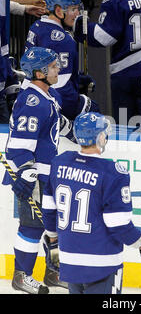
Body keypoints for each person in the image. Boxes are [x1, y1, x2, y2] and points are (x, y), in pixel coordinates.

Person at [41, 111, 141, 294]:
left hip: (69, 263)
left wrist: (53, 243)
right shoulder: (113, 173)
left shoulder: (59, 163)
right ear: (101, 137)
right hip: (103, 265)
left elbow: (48, 210)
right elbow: (119, 227)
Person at [1, 47, 77, 294]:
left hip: (48, 174)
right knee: (32, 225)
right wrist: (25, 173)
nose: (59, 69)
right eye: (54, 67)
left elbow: (56, 123)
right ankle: (21, 275)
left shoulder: (48, 95)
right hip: (32, 175)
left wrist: (77, 132)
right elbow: (18, 146)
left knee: (52, 225)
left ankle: (53, 272)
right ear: (40, 72)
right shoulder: (31, 101)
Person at [22, 0, 99, 121]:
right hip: (48, 104)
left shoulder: (37, 27)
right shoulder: (63, 40)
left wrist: (77, 79)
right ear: (58, 11)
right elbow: (60, 87)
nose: (77, 14)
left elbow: (43, 71)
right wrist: (78, 103)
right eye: (73, 9)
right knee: (94, 112)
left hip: (28, 96)